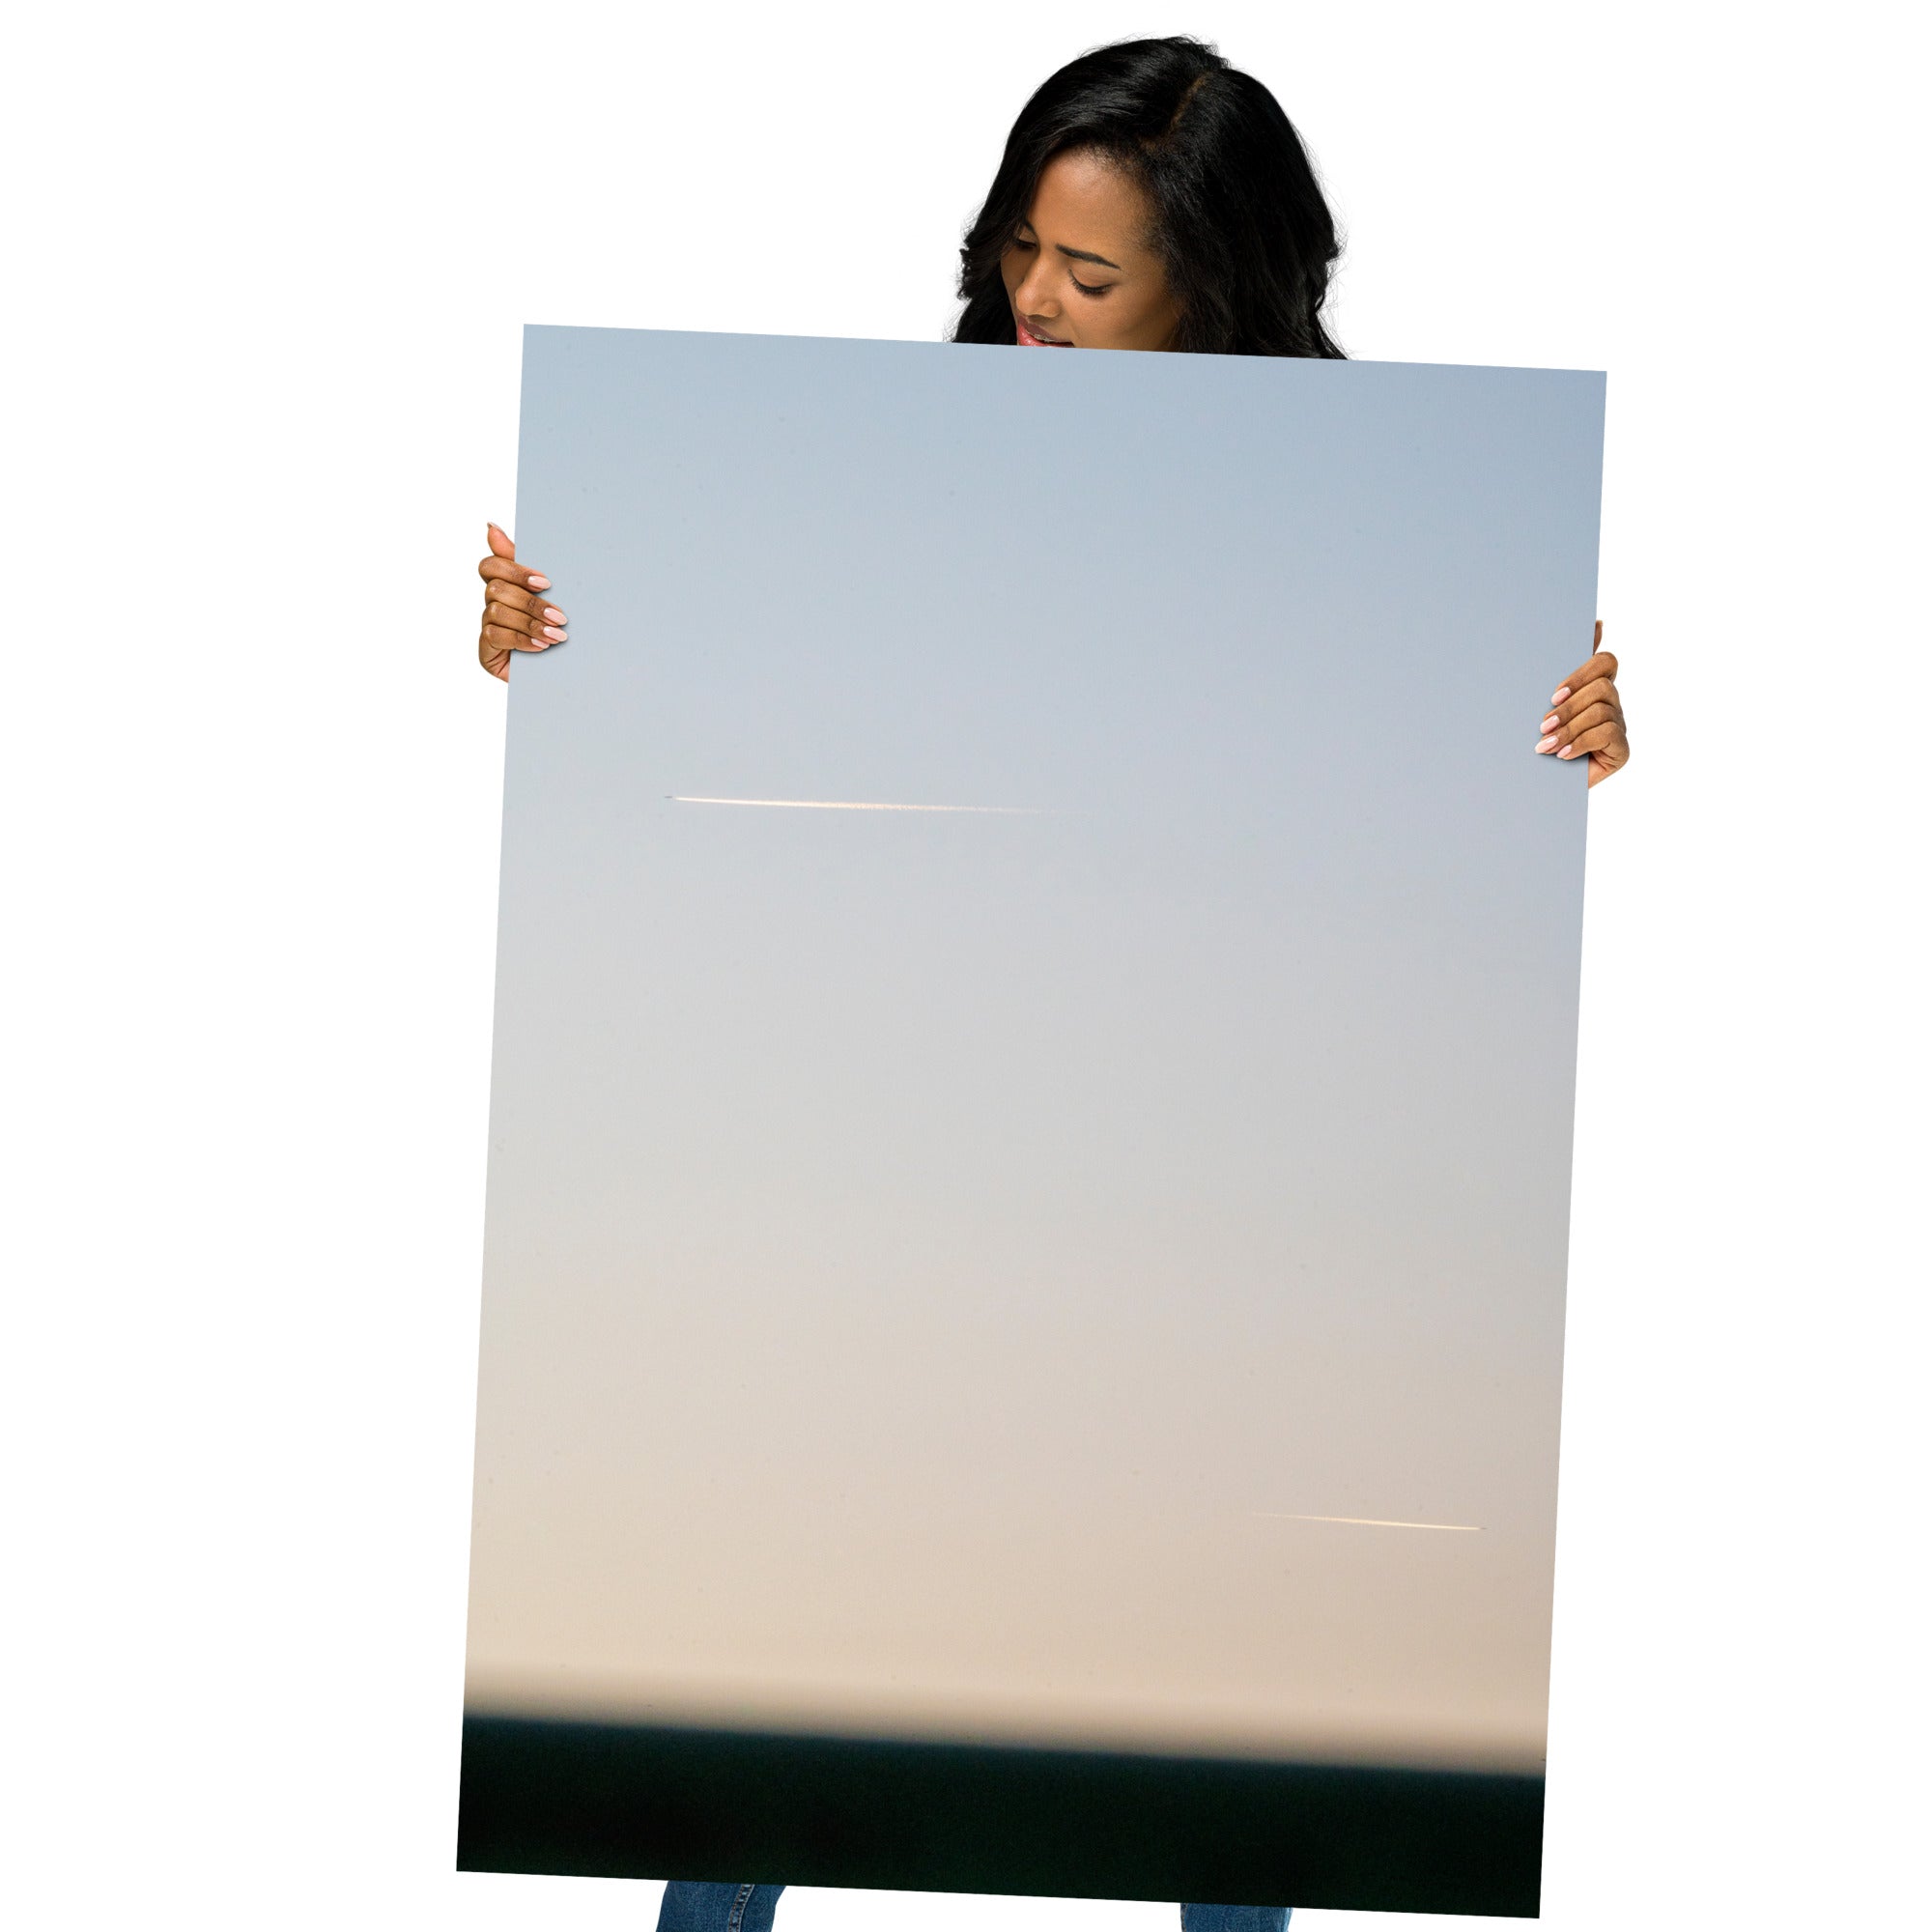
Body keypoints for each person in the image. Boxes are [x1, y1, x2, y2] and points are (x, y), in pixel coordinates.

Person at [469, 35, 1632, 1932]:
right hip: (904, 1133)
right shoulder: (903, 459)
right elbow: (752, 753)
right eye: (1022, 250)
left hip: (1224, 1182)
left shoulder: (1386, 505)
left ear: (1217, 282)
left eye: (1090, 278)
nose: (1031, 302)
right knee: (784, 1589)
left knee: (1237, 1623)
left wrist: (1575, 732)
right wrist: (549, 645)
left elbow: (1400, 845)